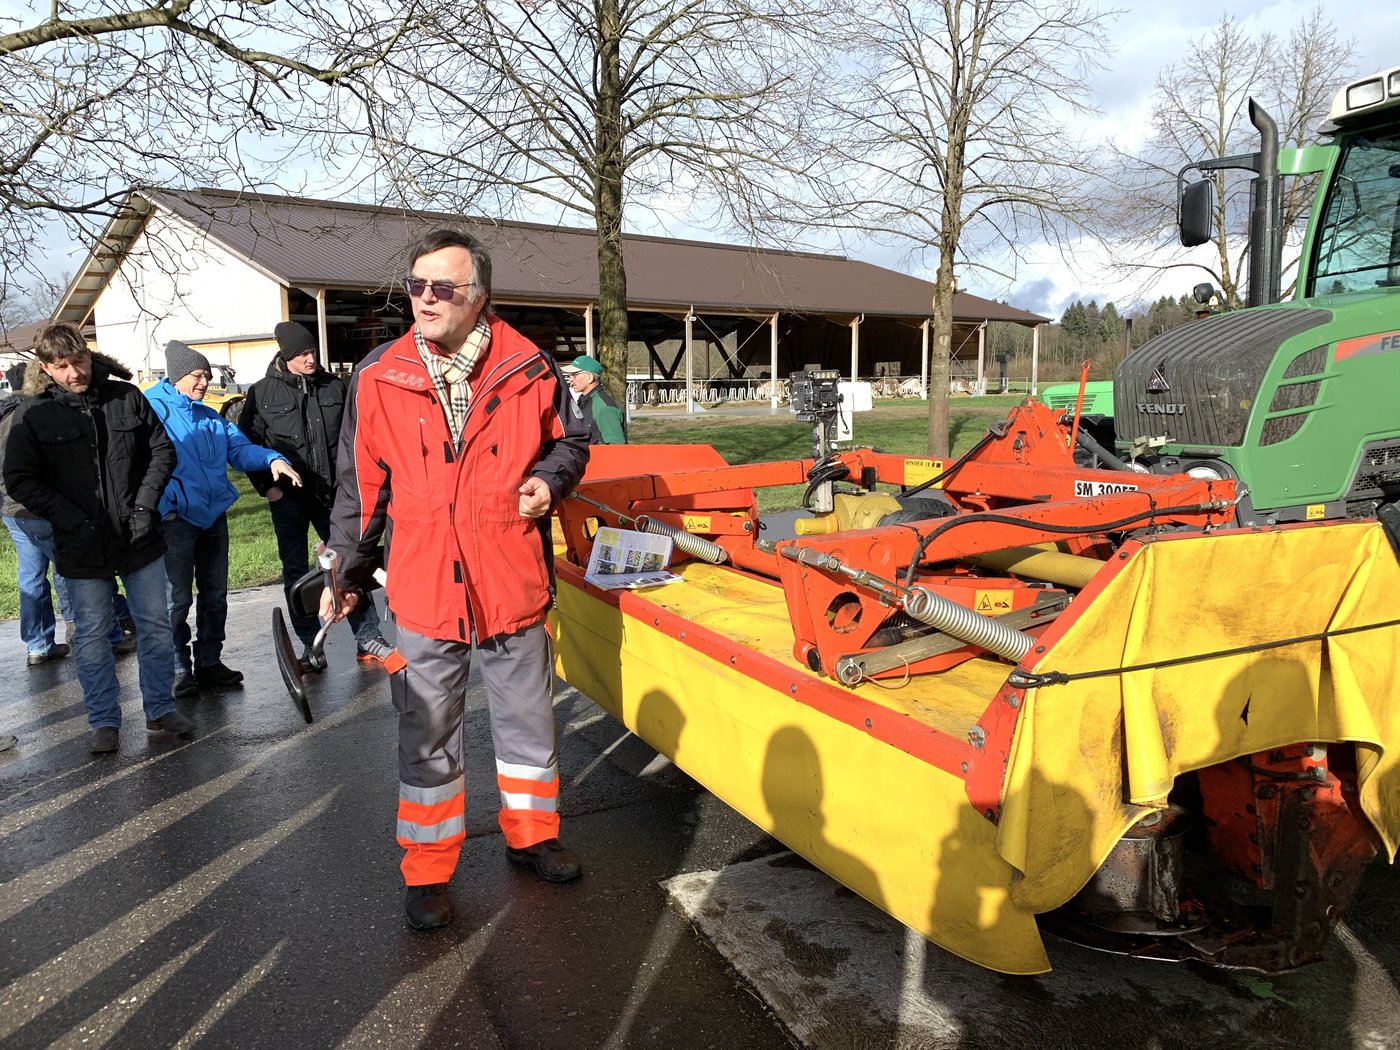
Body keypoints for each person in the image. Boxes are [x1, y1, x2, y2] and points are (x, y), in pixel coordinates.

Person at [325, 228, 590, 931]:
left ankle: (533, 837)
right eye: (416, 285)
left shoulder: (532, 367)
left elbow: (573, 440)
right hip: (421, 592)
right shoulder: (379, 375)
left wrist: (549, 480)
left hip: (512, 583)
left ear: (480, 297)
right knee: (426, 734)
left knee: (529, 726)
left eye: (444, 287)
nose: (426, 299)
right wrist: (344, 569)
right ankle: (428, 868)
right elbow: (360, 489)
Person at [2, 323, 192, 754]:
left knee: (156, 625)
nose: (75, 373)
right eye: (63, 366)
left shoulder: (126, 397)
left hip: (139, 536)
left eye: (80, 361)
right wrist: (68, 518)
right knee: (91, 635)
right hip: (80, 542)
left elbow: (162, 451)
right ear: (47, 368)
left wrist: (145, 506)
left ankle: (160, 709)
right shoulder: (34, 414)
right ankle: (104, 721)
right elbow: (19, 479)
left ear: (90, 356)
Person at [145, 341, 303, 698]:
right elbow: (143, 465)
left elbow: (239, 448)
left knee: (215, 595)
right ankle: (177, 668)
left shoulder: (209, 416)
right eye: (198, 376)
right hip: (175, 521)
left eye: (207, 376)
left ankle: (209, 661)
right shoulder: (152, 411)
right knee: (176, 599)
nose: (204, 383)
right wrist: (165, 507)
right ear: (177, 375)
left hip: (213, 517)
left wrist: (271, 459)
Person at [237, 321, 391, 669]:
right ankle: (311, 646)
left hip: (333, 496)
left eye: (312, 351)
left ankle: (367, 637)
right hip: (288, 499)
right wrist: (269, 488)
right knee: (295, 570)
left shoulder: (334, 387)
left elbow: (356, 435)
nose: (311, 358)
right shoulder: (262, 394)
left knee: (348, 565)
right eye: (303, 353)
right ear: (287, 356)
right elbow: (246, 444)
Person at [560, 355, 627, 444]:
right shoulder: (585, 400)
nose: (571, 379)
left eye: (575, 375)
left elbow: (616, 447)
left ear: (589, 377)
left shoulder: (604, 408)